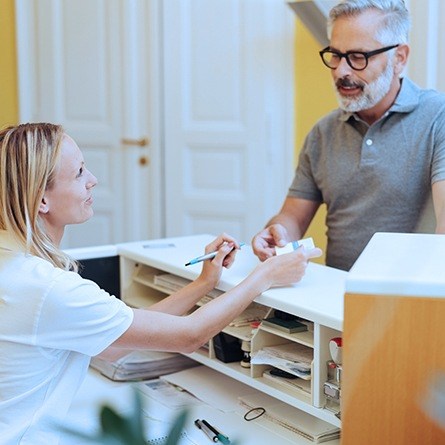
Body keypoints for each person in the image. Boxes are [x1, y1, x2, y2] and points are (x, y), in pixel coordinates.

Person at [0, 123, 321, 444]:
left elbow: (114, 343)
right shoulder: (49, 289)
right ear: (42, 200)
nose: (93, 180)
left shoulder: (16, 267)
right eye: (80, 172)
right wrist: (265, 275)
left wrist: (204, 283)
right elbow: (189, 336)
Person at [252, 0, 445, 271]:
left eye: (357, 57)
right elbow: (292, 217)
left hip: (408, 302)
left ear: (399, 58)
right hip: (335, 298)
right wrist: (277, 233)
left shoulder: (438, 118)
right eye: (335, 55)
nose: (341, 71)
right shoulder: (323, 133)